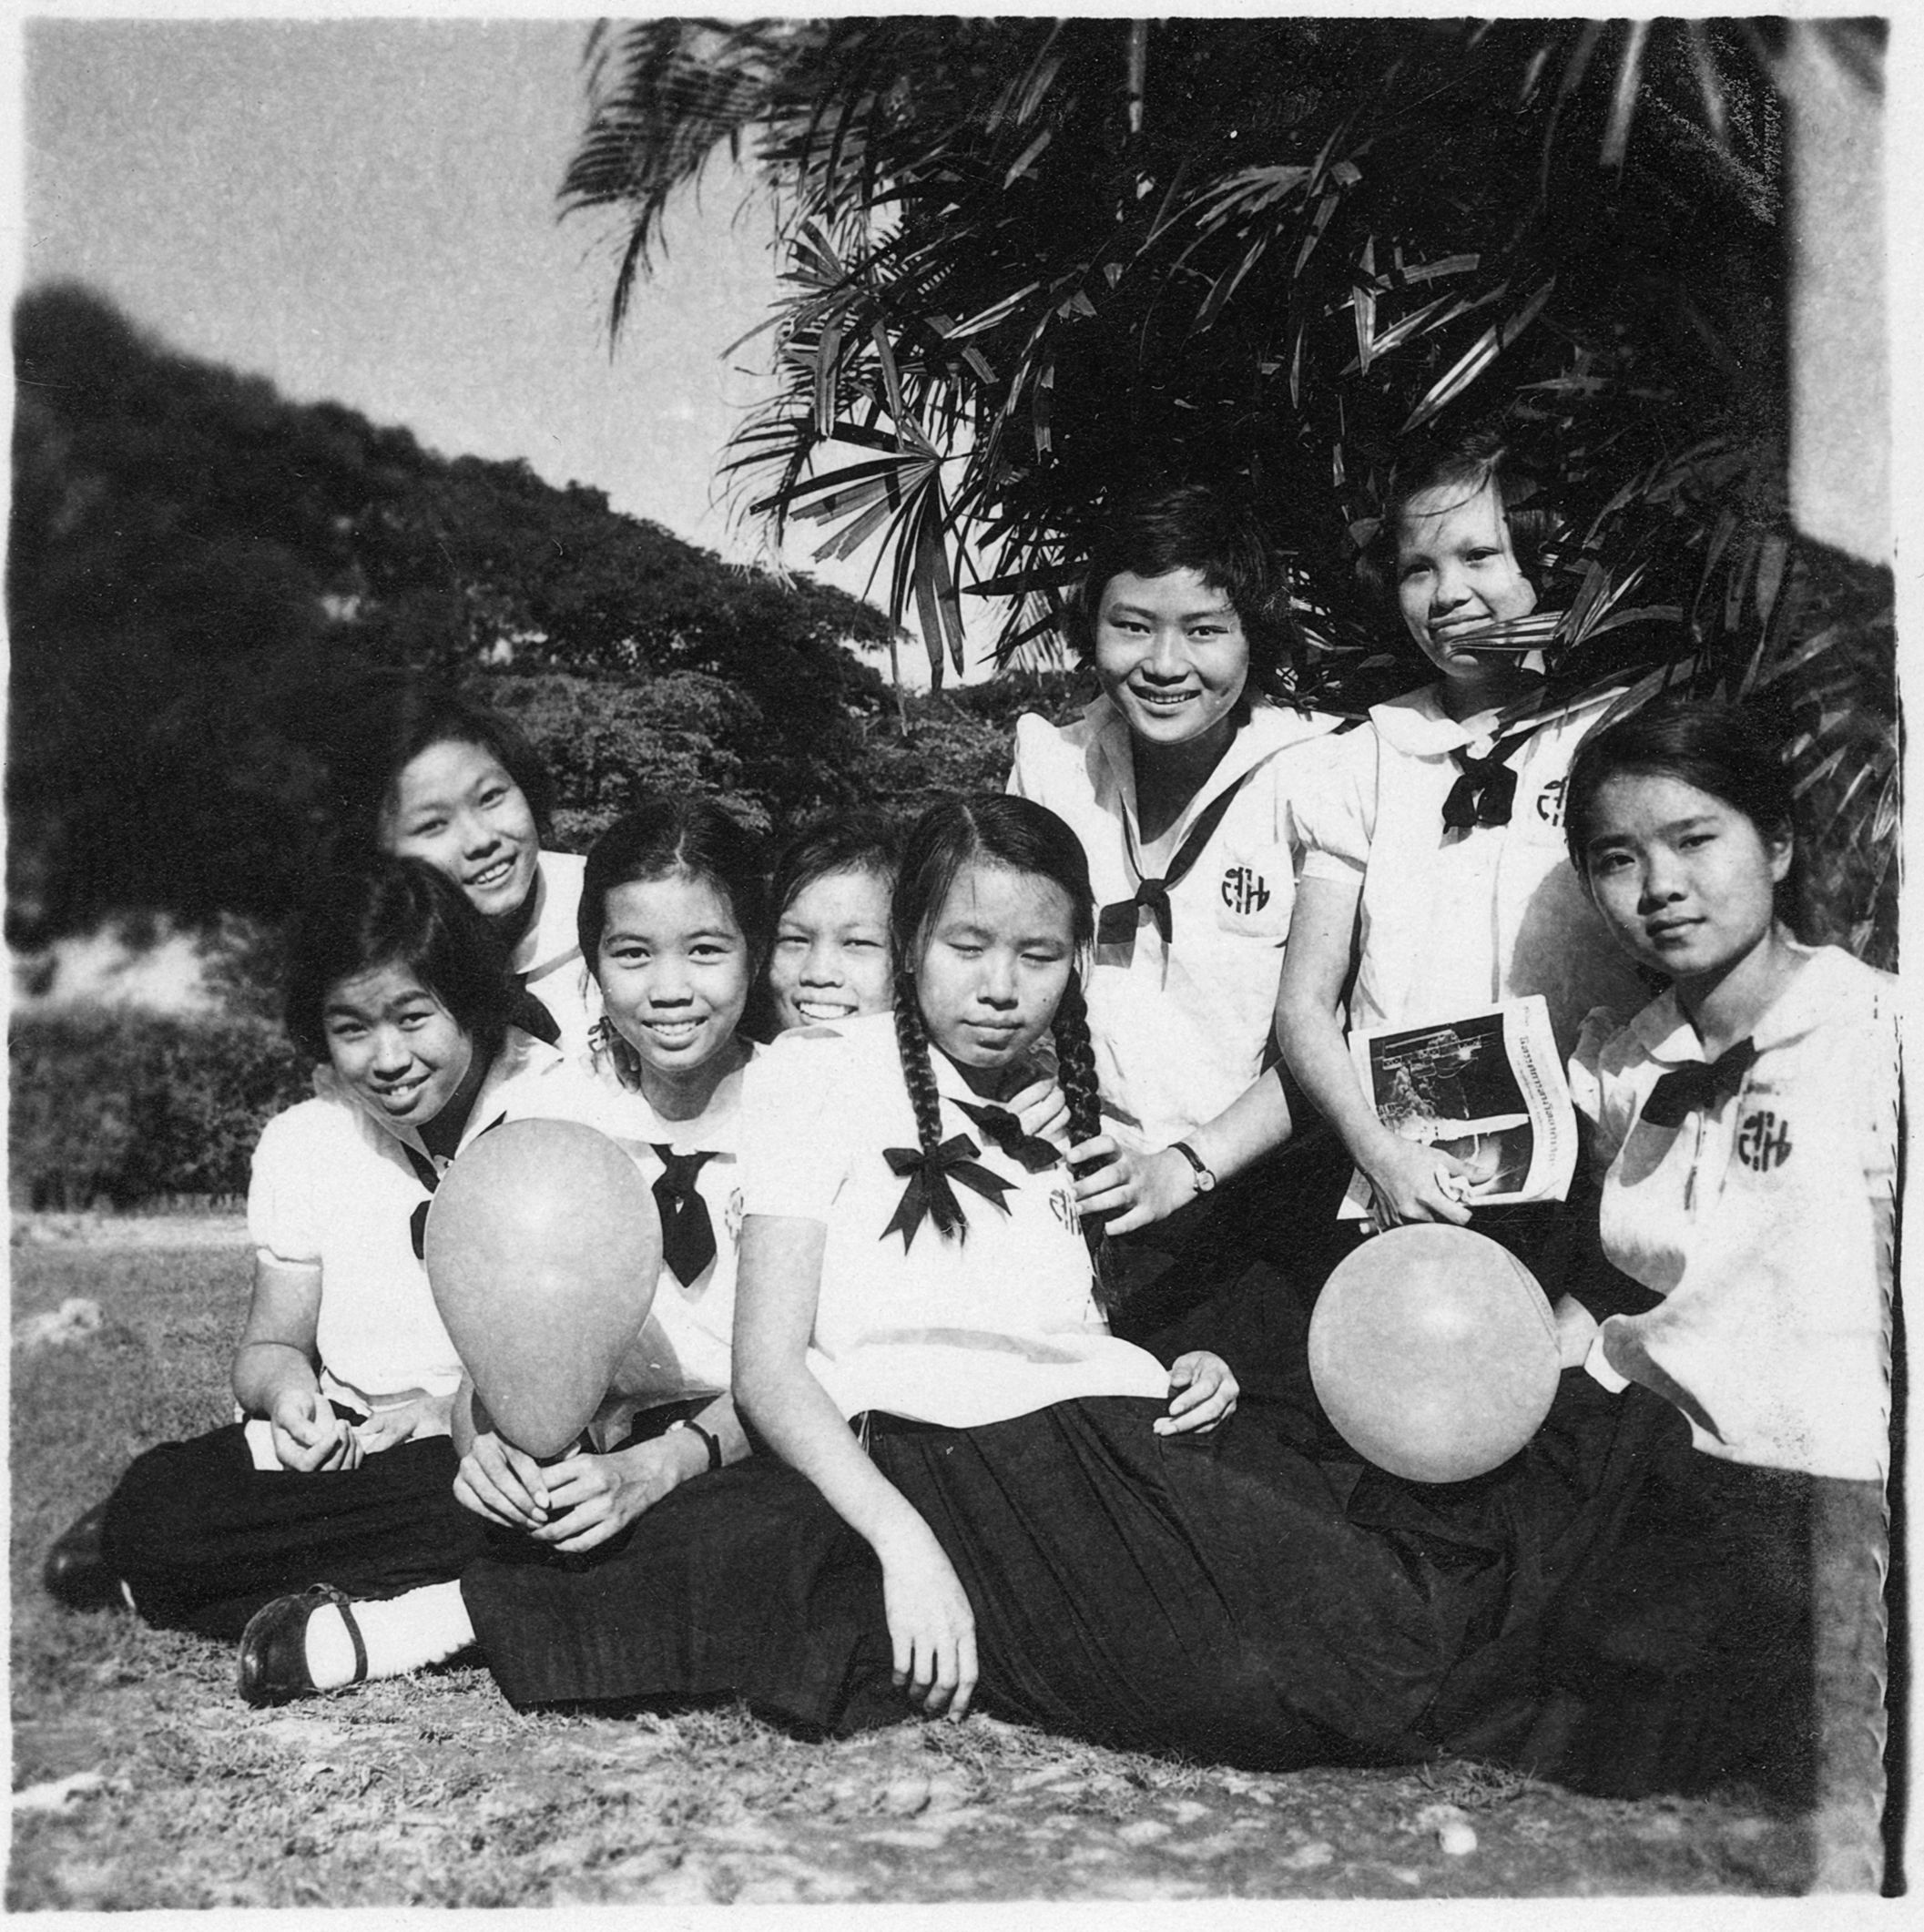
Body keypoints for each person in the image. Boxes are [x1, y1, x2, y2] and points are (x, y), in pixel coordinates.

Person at [231, 797, 1478, 1774]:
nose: (1000, 983)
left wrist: (1168, 1365)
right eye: (965, 945)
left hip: (1098, 1430)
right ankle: (447, 1615)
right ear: (916, 948)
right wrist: (907, 1537)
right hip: (921, 1451)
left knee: (1375, 1647)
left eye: (1036, 954)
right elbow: (779, 1364)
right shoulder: (814, 1075)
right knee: (1253, 1686)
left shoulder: (1049, 1104)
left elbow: (1058, 1315)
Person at [1524, 697, 1897, 1801]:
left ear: (1776, 844)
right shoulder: (1625, 1065)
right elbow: (1613, 1277)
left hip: (1830, 1498)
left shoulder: (1876, 1038)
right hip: (1651, 1476)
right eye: (1618, 859)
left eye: (1696, 840)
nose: (1660, 887)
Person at [42, 857, 557, 1642]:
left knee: (508, 1498)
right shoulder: (304, 1140)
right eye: (352, 1029)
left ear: (473, 1005)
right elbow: (271, 1345)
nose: (386, 1060)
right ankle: (437, 1591)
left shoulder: (557, 1112)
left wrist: (445, 1412)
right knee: (160, 1503)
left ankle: (362, 1606)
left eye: (413, 1018)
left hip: (492, 1446)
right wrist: (292, 1401)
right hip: (352, 1460)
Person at [1278, 431, 1651, 1237]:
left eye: (1479, 557)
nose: (1446, 594)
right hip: (1409, 1189)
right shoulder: (1362, 761)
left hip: (1594, 1180)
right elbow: (1305, 1005)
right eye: (1420, 569)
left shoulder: (1612, 732)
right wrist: (1378, 1153)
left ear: (1542, 564)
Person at [1005, 483, 1349, 1338]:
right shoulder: (1050, 767)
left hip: (1265, 1204)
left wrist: (1182, 1169)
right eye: (1132, 626)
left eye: (1203, 630)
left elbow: (1335, 1027)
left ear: (1252, 638)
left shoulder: (1323, 772)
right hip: (1079, 1184)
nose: (1164, 665)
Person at [446, 798, 767, 1561]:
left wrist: (660, 1466)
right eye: (632, 954)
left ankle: (449, 1617)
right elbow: (493, 1352)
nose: (669, 989)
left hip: (754, 1442)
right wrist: (483, 1448)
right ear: (591, 961)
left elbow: (826, 1365)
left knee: (749, 1535)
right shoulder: (546, 1114)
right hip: (596, 1445)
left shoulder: (805, 1102)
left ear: (756, 953)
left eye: (705, 951)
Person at [328, 676, 598, 1056]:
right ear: (378, 854)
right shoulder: (376, 974)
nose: (481, 840)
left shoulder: (613, 907)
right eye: (433, 825)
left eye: (490, 797)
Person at [758, 812, 898, 1036]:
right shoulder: (752, 1070)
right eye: (795, 940)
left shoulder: (937, 1071)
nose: (819, 974)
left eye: (856, 943)